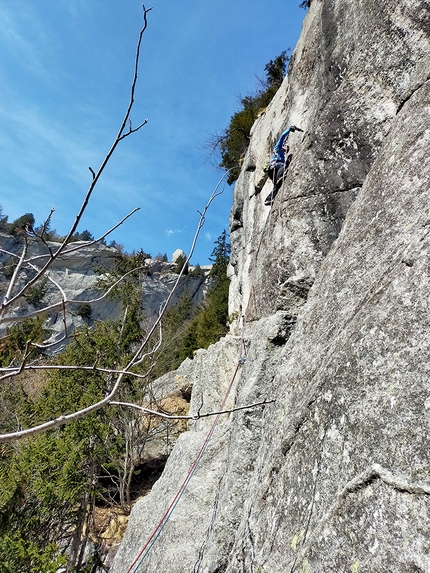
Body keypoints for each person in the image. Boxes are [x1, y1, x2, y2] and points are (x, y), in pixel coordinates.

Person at [264, 125, 302, 206]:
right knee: (282, 166)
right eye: (286, 147)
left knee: (277, 186)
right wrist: (289, 130)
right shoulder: (278, 147)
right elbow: (282, 137)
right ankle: (279, 177)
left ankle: (268, 199)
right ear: (283, 146)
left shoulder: (283, 155)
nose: (287, 149)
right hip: (274, 166)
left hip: (273, 171)